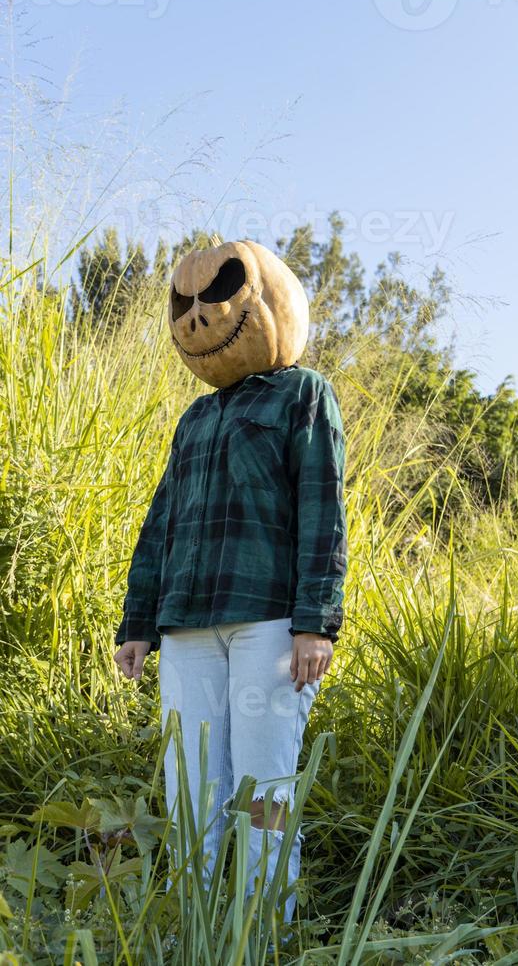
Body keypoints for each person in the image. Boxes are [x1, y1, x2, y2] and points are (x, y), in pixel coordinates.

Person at [112, 239, 347, 925]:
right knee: (191, 783)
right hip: (186, 626)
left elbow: (321, 509)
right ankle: (199, 922)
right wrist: (138, 623)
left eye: (214, 295)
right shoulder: (194, 419)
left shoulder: (303, 394)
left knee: (263, 788)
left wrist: (314, 621)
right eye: (182, 304)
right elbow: (162, 523)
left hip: (268, 624)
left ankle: (263, 924)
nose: (196, 317)